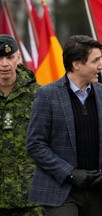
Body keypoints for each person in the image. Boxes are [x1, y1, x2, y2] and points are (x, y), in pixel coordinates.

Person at [26, 35, 102, 216]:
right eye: (95, 61)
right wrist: (69, 173)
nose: (101, 66)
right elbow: (35, 144)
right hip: (60, 191)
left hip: (97, 191)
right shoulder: (47, 95)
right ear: (77, 64)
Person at [0, 34, 42, 215]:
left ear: (18, 57)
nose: (4, 64)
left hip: (32, 198)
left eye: (9, 57)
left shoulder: (40, 95)